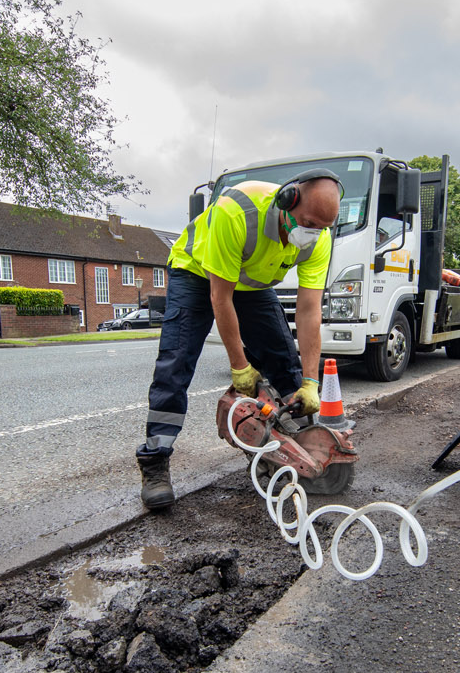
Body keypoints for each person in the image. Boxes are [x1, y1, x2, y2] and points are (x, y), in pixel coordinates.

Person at [136, 168, 342, 509]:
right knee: (176, 363)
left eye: (321, 228)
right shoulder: (237, 211)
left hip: (250, 284)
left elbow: (309, 312)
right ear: (287, 200)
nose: (311, 233)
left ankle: (305, 446)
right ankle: (155, 460)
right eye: (307, 222)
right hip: (197, 273)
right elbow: (220, 298)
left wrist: (310, 382)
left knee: (282, 358)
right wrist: (240, 367)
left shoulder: (318, 238)